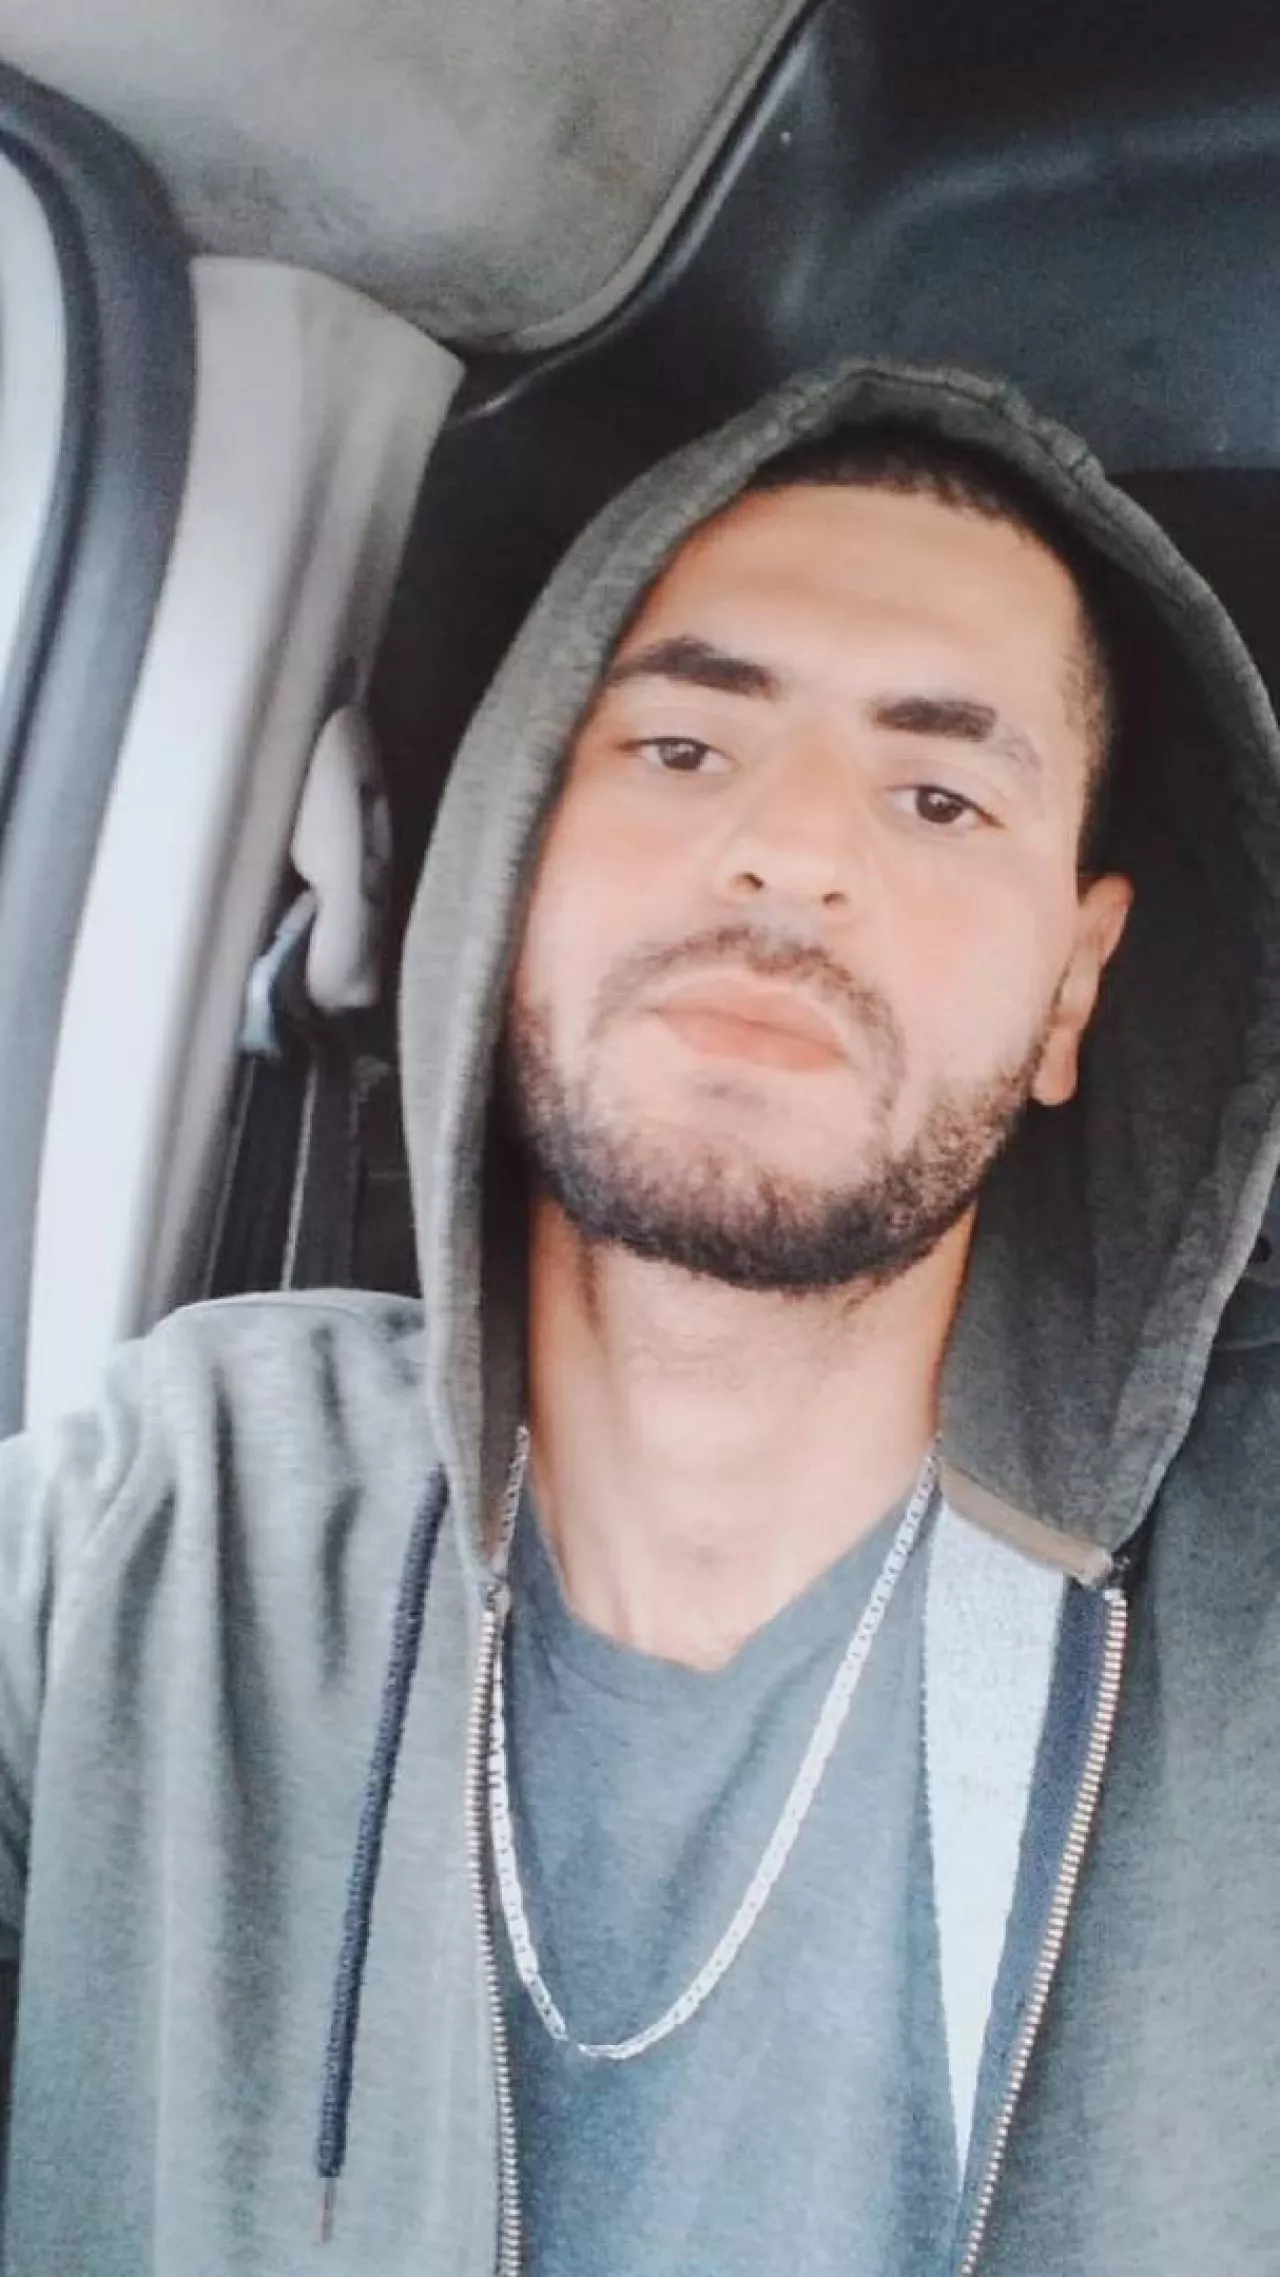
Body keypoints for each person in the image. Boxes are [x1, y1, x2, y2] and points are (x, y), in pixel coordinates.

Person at [2, 358, 1279, 2277]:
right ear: (512, 856)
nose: (795, 853)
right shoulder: (164, 1523)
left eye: (940, 796)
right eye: (682, 748)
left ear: (1075, 988)